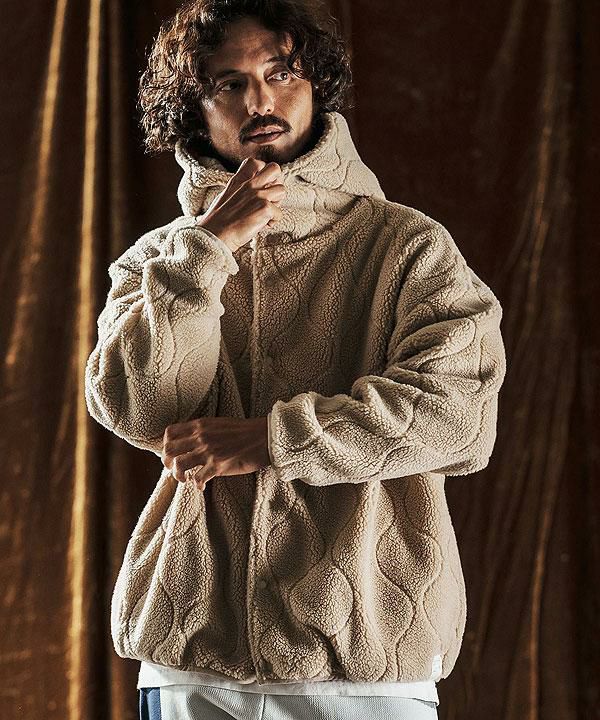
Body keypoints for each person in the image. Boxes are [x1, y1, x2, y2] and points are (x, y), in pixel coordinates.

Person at [84, 1, 507, 718]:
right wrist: (207, 249)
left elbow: (457, 415)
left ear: (317, 85)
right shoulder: (159, 259)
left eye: (281, 72)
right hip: (191, 658)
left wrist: (269, 440)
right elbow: (139, 410)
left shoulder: (408, 246)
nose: (260, 101)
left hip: (362, 660)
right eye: (229, 83)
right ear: (193, 111)